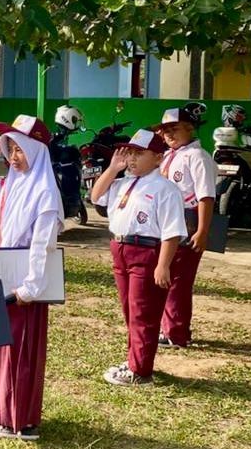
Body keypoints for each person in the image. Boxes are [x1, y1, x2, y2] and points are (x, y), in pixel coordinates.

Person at [0, 115, 62, 441]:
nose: (14, 156)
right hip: (2, 276)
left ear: (36, 151)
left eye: (19, 149)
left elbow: (43, 244)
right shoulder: (11, 184)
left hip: (24, 285)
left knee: (18, 351)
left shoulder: (45, 193)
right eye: (11, 149)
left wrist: (32, 286)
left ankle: (17, 419)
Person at [91, 129, 187, 385]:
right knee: (129, 309)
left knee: (143, 311)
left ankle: (140, 370)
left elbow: (172, 232)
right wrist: (113, 168)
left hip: (146, 252)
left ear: (157, 157)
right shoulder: (123, 183)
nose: (132, 159)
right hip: (121, 248)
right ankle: (135, 358)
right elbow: (95, 196)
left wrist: (163, 265)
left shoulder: (165, 188)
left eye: (139, 154)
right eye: (129, 153)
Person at [155, 107, 218, 348]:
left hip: (187, 220)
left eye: (175, 128)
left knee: (179, 278)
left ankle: (176, 332)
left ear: (189, 129)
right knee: (166, 275)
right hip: (167, 221)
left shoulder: (197, 157)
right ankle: (167, 326)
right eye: (165, 130)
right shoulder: (170, 155)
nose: (169, 134)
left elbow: (206, 197)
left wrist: (202, 231)